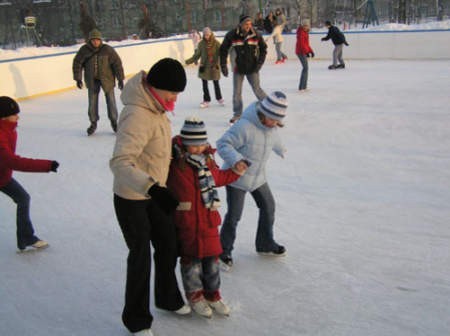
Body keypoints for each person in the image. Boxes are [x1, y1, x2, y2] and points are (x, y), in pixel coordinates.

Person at [110, 58, 191, 336]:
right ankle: (137, 320)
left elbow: (152, 144)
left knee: (169, 245)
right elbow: (120, 162)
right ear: (157, 87)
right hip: (132, 197)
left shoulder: (155, 108)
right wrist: (154, 188)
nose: (175, 99)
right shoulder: (137, 113)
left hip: (154, 192)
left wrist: (173, 152)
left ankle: (167, 298)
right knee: (141, 255)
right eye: (173, 93)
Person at [167, 117, 247, 317]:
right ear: (184, 143)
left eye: (201, 144)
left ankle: (213, 295)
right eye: (193, 145)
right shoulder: (174, 163)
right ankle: (195, 297)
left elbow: (218, 178)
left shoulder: (208, 162)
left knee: (211, 262)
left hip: (209, 222)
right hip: (187, 222)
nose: (198, 149)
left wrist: (235, 172)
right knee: (191, 263)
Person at [216, 91, 288, 270]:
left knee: (268, 206)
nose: (274, 124)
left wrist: (281, 149)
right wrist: (236, 160)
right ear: (264, 113)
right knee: (234, 216)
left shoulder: (271, 127)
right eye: (272, 119)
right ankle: (223, 251)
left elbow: (273, 138)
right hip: (237, 178)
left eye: (277, 121)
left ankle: (265, 243)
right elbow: (223, 143)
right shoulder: (244, 126)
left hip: (258, 177)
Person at [0, 96, 59, 252]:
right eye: (15, 114)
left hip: (2, 177)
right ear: (4, 116)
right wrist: (46, 165)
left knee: (23, 198)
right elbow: (13, 161)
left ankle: (26, 237)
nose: (18, 117)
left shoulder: (9, 129)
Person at [73, 28, 125, 135]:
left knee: (111, 101)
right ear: (90, 40)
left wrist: (120, 79)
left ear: (100, 40)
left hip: (107, 79)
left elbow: (117, 64)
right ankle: (93, 123)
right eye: (93, 40)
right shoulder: (84, 50)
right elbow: (77, 64)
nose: (95, 42)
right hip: (92, 80)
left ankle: (114, 122)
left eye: (97, 40)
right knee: (92, 102)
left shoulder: (108, 50)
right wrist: (78, 78)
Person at [220, 14, 267, 124]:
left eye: (250, 24)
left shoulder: (256, 34)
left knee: (257, 89)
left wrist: (259, 64)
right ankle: (237, 115)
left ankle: (268, 108)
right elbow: (223, 50)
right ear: (241, 24)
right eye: (246, 24)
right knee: (237, 92)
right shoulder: (232, 35)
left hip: (252, 67)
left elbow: (264, 49)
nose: (248, 26)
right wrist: (223, 66)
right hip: (238, 68)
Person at [185, 27, 224, 108]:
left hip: (214, 66)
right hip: (204, 66)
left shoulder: (216, 43)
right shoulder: (201, 44)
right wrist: (188, 61)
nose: (207, 36)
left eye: (208, 35)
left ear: (211, 34)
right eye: (205, 35)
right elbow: (197, 55)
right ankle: (206, 100)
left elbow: (223, 52)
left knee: (216, 83)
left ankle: (219, 98)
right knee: (204, 84)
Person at [295, 22, 315, 91]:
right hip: (300, 52)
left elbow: (306, 44)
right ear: (303, 27)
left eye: (308, 26)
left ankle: (304, 86)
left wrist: (311, 51)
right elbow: (301, 44)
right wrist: (306, 52)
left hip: (303, 51)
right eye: (305, 26)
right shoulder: (301, 33)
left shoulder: (305, 33)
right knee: (305, 68)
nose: (307, 27)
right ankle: (301, 87)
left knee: (305, 68)